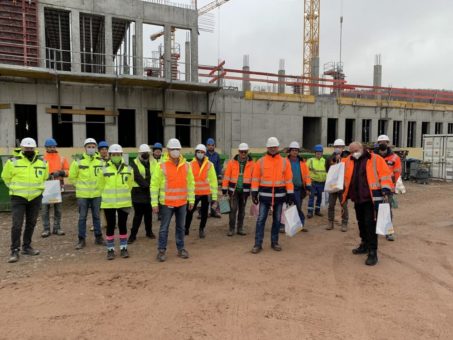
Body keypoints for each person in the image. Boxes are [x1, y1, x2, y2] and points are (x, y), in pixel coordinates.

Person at [342, 142, 394, 266]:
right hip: (357, 198)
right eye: (351, 151)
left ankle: (372, 252)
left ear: (362, 148)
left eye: (355, 150)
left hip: (371, 199)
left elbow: (386, 175)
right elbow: (339, 173)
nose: (353, 153)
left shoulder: (375, 159)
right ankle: (364, 244)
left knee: (370, 225)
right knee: (361, 223)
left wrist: (386, 188)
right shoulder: (348, 160)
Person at [1, 138, 49, 263]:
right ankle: (14, 250)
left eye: (31, 148)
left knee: (31, 223)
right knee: (17, 224)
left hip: (35, 198)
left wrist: (38, 191)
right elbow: (5, 177)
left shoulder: (42, 163)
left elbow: (44, 177)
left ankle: (26, 247)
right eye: (26, 148)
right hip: (18, 198)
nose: (29, 150)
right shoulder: (12, 162)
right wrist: (13, 188)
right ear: (22, 148)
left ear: (35, 149)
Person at [151, 138, 194, 262]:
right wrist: (154, 203)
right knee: (164, 228)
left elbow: (190, 183)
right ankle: (161, 250)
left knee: (181, 227)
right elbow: (154, 185)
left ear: (180, 150)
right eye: (172, 149)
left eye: (177, 149)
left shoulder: (186, 166)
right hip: (166, 203)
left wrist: (191, 200)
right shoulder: (161, 166)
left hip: (182, 203)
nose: (175, 151)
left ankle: (181, 248)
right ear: (168, 150)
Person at [251, 137, 294, 254]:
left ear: (278, 147)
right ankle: (257, 244)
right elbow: (255, 179)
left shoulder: (285, 161)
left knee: (276, 221)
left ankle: (274, 242)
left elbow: (289, 180)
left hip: (280, 197)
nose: (273, 149)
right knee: (260, 220)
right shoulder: (260, 161)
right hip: (264, 197)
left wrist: (290, 195)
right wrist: (254, 193)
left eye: (274, 147)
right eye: (271, 147)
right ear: (267, 148)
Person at [69, 138, 105, 249]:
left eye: (93, 146)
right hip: (83, 195)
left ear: (96, 148)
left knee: (97, 217)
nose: (91, 148)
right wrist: (79, 186)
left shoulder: (101, 162)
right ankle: (81, 240)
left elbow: (105, 177)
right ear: (85, 148)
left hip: (96, 194)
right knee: (82, 218)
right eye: (89, 146)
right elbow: (72, 177)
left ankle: (98, 238)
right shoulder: (77, 161)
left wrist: (100, 189)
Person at [99, 144, 133, 260]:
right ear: (110, 155)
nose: (116, 156)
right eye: (114, 154)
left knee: (123, 225)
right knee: (110, 226)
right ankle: (110, 250)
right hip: (109, 203)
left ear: (121, 155)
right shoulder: (104, 169)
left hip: (124, 202)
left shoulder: (128, 169)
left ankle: (124, 248)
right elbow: (101, 185)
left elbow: (130, 185)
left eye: (118, 154)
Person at [185, 144, 218, 238]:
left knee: (204, 213)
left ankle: (201, 229)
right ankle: (186, 228)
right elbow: (186, 180)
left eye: (202, 152)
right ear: (195, 153)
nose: (200, 154)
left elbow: (213, 181)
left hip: (205, 193)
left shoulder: (209, 165)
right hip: (194, 193)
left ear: (205, 153)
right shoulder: (189, 164)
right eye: (198, 152)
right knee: (189, 212)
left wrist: (214, 197)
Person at [222, 143, 254, 236]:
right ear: (238, 152)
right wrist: (224, 189)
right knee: (233, 209)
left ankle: (240, 228)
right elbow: (227, 176)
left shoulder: (252, 164)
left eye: (245, 152)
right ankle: (231, 228)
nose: (243, 153)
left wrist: (254, 191)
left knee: (242, 210)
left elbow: (254, 178)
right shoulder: (232, 162)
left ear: (247, 152)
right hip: (234, 190)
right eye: (241, 152)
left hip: (245, 191)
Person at [376, 134, 402, 241]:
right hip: (375, 187)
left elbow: (397, 173)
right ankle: (375, 230)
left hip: (388, 188)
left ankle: (388, 232)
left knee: (387, 209)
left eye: (385, 142)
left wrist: (395, 187)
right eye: (381, 142)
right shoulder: (373, 156)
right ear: (378, 144)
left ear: (388, 143)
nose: (383, 144)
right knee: (373, 209)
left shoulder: (395, 158)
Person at [41, 138, 69, 237]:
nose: (52, 148)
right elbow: (38, 172)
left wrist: (61, 172)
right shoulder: (41, 159)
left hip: (58, 186)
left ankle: (57, 228)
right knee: (45, 209)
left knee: (58, 209)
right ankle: (46, 229)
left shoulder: (62, 158)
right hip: (45, 187)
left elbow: (68, 171)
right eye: (49, 147)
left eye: (53, 146)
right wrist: (45, 175)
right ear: (46, 148)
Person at [128, 144, 156, 243]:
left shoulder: (153, 163)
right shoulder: (133, 163)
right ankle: (132, 235)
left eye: (147, 153)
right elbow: (136, 176)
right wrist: (148, 185)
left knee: (149, 214)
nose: (145, 154)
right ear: (139, 153)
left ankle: (149, 232)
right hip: (138, 193)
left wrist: (153, 187)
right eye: (143, 153)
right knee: (138, 215)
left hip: (149, 192)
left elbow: (156, 175)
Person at [285, 141, 311, 232]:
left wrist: (308, 187)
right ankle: (284, 225)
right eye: (293, 150)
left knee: (298, 207)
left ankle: (300, 225)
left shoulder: (302, 163)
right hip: (286, 189)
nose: (295, 152)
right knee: (285, 207)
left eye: (296, 150)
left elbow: (307, 176)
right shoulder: (285, 161)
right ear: (289, 151)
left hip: (298, 189)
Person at [326, 139, 349, 232]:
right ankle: (330, 222)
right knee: (331, 205)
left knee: (343, 205)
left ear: (343, 148)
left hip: (343, 186)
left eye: (340, 147)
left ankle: (344, 223)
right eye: (336, 147)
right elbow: (327, 169)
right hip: (333, 185)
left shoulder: (348, 158)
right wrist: (334, 161)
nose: (338, 148)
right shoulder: (329, 158)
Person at [307, 144, 327, 218]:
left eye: (320, 152)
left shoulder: (325, 161)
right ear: (315, 153)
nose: (318, 153)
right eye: (317, 152)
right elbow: (306, 171)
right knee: (311, 197)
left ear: (322, 153)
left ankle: (317, 211)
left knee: (319, 197)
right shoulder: (310, 161)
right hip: (313, 182)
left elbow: (327, 171)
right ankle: (310, 212)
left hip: (322, 183)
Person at [206, 138, 222, 218]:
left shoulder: (217, 155)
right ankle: (205, 212)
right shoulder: (205, 155)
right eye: (209, 145)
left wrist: (219, 175)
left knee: (214, 195)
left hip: (214, 179)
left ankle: (215, 211)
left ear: (214, 146)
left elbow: (219, 166)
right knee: (206, 196)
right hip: (205, 179)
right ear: (207, 146)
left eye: (212, 145)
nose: (211, 147)